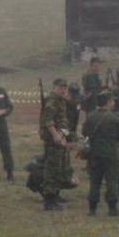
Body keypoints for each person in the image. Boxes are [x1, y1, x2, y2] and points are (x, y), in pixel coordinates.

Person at [82, 90, 119, 216]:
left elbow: (85, 132)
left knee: (94, 181)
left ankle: (92, 209)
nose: (113, 103)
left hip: (94, 153)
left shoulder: (90, 116)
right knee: (111, 180)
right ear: (108, 102)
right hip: (110, 153)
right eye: (112, 101)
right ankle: (112, 208)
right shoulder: (115, 118)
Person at [39, 77, 73, 210]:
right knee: (52, 169)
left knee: (60, 168)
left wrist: (67, 138)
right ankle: (49, 201)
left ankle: (55, 195)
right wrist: (55, 135)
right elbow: (48, 120)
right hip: (55, 140)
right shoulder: (52, 101)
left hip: (61, 138)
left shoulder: (61, 101)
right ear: (54, 87)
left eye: (65, 87)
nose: (63, 90)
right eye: (60, 87)